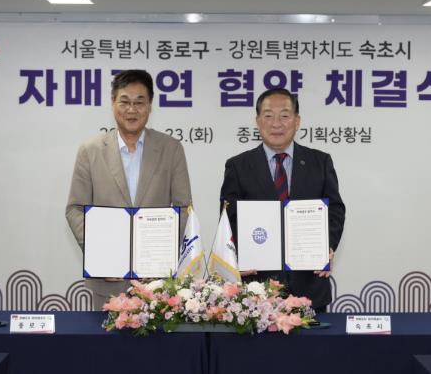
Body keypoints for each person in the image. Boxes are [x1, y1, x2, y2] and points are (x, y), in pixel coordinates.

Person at [66, 69, 192, 310]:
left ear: (150, 106)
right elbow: (75, 209)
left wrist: (160, 256)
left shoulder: (171, 149)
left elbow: (184, 208)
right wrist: (100, 255)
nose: (131, 109)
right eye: (124, 102)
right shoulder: (90, 150)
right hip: (107, 283)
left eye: (139, 102)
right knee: (105, 337)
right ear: (113, 103)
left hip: (157, 284)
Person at [220, 87, 345, 312]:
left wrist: (327, 246)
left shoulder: (320, 162)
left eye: (285, 115)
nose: (276, 124)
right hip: (257, 289)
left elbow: (335, 210)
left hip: (310, 286)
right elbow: (229, 218)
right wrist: (238, 254)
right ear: (258, 121)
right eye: (268, 115)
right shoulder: (238, 166)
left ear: (297, 121)